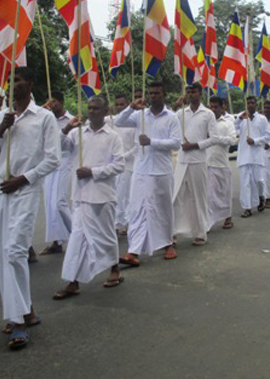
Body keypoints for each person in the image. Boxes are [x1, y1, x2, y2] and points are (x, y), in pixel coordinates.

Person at [0, 66, 61, 349]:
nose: (13, 84)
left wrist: (23, 179)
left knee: (15, 250)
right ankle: (26, 310)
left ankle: (16, 320)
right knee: (5, 255)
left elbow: (53, 159)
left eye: (18, 79)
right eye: (9, 80)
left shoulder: (44, 118)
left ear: (30, 83)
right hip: (1, 193)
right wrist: (1, 129)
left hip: (25, 191)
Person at [53, 97, 126, 299]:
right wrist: (67, 127)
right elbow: (57, 145)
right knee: (78, 238)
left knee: (106, 236)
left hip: (103, 195)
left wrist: (93, 172)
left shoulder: (113, 137)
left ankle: (114, 269)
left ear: (105, 111)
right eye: (90, 108)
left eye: (96, 108)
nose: (91, 112)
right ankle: (72, 281)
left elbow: (119, 165)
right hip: (81, 195)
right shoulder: (78, 134)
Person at [115, 82, 182, 265]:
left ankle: (168, 243)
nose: (153, 96)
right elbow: (118, 122)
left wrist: (152, 142)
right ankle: (133, 251)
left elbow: (176, 143)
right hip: (141, 170)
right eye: (151, 93)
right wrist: (131, 107)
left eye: (157, 93)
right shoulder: (139, 115)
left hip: (162, 170)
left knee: (163, 209)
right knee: (138, 210)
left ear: (164, 94)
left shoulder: (172, 117)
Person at [172, 82, 218, 246]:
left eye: (193, 91)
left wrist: (195, 145)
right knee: (175, 196)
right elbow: (170, 126)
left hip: (198, 160)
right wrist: (175, 106)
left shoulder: (208, 114)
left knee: (198, 197)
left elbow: (214, 138)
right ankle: (173, 232)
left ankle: (200, 233)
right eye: (188, 92)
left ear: (200, 93)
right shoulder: (181, 113)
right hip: (182, 160)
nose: (190, 94)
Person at [39, 91, 74, 256]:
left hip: (65, 163)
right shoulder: (45, 118)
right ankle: (57, 241)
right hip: (49, 164)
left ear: (61, 102)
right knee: (50, 205)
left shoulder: (71, 120)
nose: (51, 105)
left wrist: (65, 130)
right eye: (48, 101)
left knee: (60, 202)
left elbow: (64, 146)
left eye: (53, 101)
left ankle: (78, 236)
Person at [235, 96, 270, 217]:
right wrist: (239, 118)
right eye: (248, 103)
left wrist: (255, 141)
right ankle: (247, 208)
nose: (250, 105)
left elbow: (267, 137)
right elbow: (233, 129)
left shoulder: (262, 119)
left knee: (258, 180)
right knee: (245, 183)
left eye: (252, 103)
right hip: (244, 155)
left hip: (257, 155)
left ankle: (261, 196)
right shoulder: (241, 118)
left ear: (256, 104)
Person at [207, 97, 237, 229]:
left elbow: (232, 140)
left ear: (222, 107)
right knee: (208, 195)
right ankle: (207, 223)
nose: (213, 110)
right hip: (207, 163)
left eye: (215, 107)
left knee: (224, 192)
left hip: (222, 163)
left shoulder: (228, 123)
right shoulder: (206, 122)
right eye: (211, 107)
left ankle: (227, 217)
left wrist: (216, 139)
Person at [112, 94, 137, 237]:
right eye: (118, 105)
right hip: (115, 166)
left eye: (123, 105)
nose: (120, 107)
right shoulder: (114, 121)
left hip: (129, 165)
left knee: (126, 196)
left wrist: (124, 157)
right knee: (116, 196)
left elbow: (136, 146)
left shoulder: (133, 122)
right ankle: (116, 224)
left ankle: (127, 224)